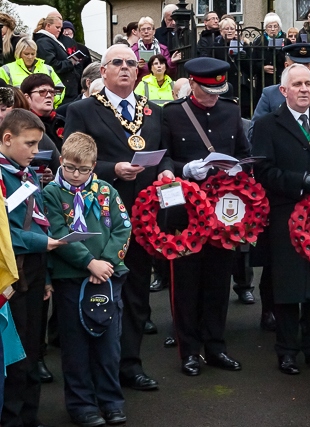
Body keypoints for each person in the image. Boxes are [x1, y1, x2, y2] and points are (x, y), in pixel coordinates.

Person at [64, 44, 169, 391]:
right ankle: (95, 369)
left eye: (131, 63)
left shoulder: (153, 111)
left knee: (137, 292)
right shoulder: (83, 110)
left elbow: (165, 155)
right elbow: (69, 160)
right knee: (98, 293)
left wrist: (166, 174)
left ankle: (130, 364)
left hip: (142, 218)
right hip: (99, 219)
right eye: (117, 63)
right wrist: (113, 169)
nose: (126, 67)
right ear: (104, 71)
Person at [161, 57, 248, 377]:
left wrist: (240, 166)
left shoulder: (230, 110)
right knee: (186, 282)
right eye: (207, 90)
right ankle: (189, 351)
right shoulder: (172, 113)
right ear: (193, 85)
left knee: (217, 280)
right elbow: (164, 155)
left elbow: (242, 150)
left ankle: (216, 346)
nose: (214, 97)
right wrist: (183, 170)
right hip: (186, 209)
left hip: (222, 210)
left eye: (218, 91)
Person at [252, 64, 310, 375]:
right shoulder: (266, 124)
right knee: (287, 287)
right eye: (298, 84)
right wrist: (299, 180)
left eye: (309, 84)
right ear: (284, 91)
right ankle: (287, 351)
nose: (305, 89)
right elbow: (262, 171)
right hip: (285, 213)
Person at [43, 132, 130, 427]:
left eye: (84, 169)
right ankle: (82, 405)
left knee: (108, 345)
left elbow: (122, 228)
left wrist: (105, 262)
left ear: (94, 166)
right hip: (72, 278)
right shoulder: (51, 194)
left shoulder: (107, 191)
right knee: (76, 346)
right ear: (61, 162)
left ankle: (111, 400)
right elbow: (55, 231)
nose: (76, 175)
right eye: (69, 168)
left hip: (108, 277)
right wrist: (88, 262)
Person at [0, 108, 66, 427]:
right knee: (15, 353)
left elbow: (39, 221)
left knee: (34, 347)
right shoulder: (2, 176)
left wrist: (49, 273)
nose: (36, 152)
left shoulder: (26, 173)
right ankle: (11, 416)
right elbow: (4, 235)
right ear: (7, 138)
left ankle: (30, 413)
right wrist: (44, 244)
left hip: (37, 268)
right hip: (13, 273)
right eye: (30, 144)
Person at [0, 38, 66, 108]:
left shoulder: (47, 68)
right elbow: (3, 93)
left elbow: (60, 88)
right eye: (26, 54)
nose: (30, 57)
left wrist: (47, 100)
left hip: (45, 111)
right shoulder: (6, 69)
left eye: (33, 54)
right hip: (19, 111)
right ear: (19, 53)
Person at [33, 13, 82, 104]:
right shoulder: (44, 42)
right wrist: (72, 61)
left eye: (60, 28)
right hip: (61, 90)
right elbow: (52, 65)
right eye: (57, 27)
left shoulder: (52, 41)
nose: (60, 31)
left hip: (67, 90)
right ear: (48, 25)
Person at [213, 18, 254, 118]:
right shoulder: (216, 46)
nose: (230, 31)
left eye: (232, 28)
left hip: (242, 85)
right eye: (227, 29)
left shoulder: (243, 45)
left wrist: (244, 58)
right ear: (221, 31)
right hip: (224, 84)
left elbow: (251, 69)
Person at [21, 74, 65, 151]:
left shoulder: (63, 122)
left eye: (51, 92)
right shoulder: (21, 125)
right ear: (27, 98)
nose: (48, 95)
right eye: (42, 92)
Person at [131, 17, 180, 85]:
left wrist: (171, 62)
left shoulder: (163, 49)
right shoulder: (133, 50)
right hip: (141, 87)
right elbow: (129, 72)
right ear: (139, 32)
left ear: (154, 31)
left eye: (149, 29)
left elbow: (170, 72)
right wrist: (137, 67)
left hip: (159, 86)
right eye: (143, 29)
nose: (146, 32)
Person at [252, 12, 290, 95]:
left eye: (275, 26)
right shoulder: (259, 42)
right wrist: (263, 68)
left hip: (282, 79)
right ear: (265, 28)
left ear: (279, 27)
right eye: (270, 26)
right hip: (264, 81)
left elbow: (290, 60)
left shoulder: (286, 41)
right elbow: (253, 62)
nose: (272, 29)